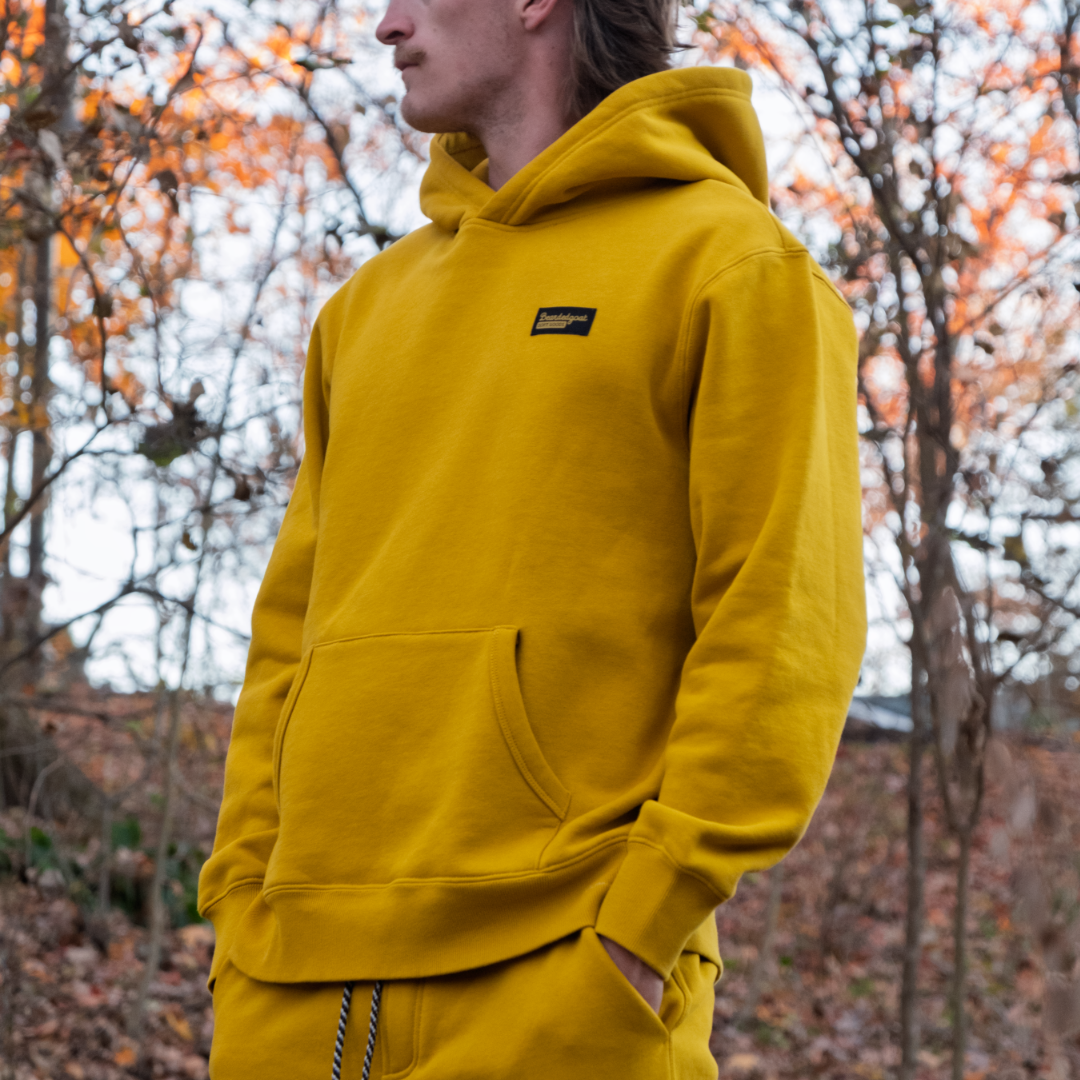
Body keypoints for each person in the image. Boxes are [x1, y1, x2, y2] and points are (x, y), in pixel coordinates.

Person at [197, 0, 866, 1075]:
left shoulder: (733, 268)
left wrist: (648, 919)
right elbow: (290, 635)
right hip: (290, 982)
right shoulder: (363, 312)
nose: (385, 24)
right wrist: (239, 893)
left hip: (565, 980)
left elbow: (785, 620)